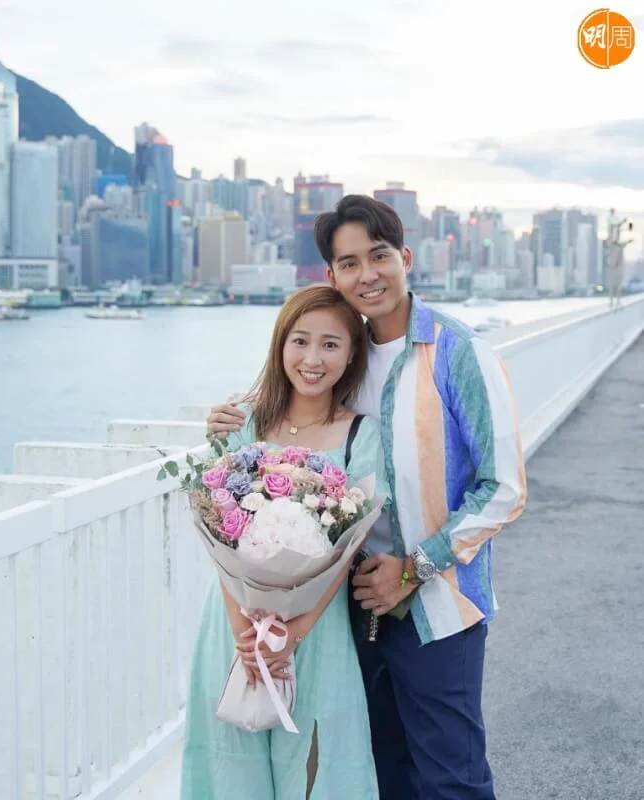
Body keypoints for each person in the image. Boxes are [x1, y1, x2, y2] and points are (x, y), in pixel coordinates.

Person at [207, 195, 528, 799]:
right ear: (332, 276)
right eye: (349, 263)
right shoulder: (342, 354)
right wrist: (226, 424)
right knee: (381, 776)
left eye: (379, 256)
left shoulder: (458, 352)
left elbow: (504, 488)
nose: (367, 274)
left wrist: (413, 568)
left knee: (451, 779)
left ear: (405, 258)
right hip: (351, 608)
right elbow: (297, 426)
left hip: (437, 607)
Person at [181, 284, 390, 800]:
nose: (312, 359)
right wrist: (248, 638)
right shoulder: (242, 422)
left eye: (330, 344)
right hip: (233, 625)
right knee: (231, 766)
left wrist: (290, 635)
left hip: (317, 627)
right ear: (280, 345)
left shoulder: (361, 436)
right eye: (300, 340)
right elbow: (220, 534)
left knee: (319, 766)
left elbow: (345, 552)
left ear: (351, 356)